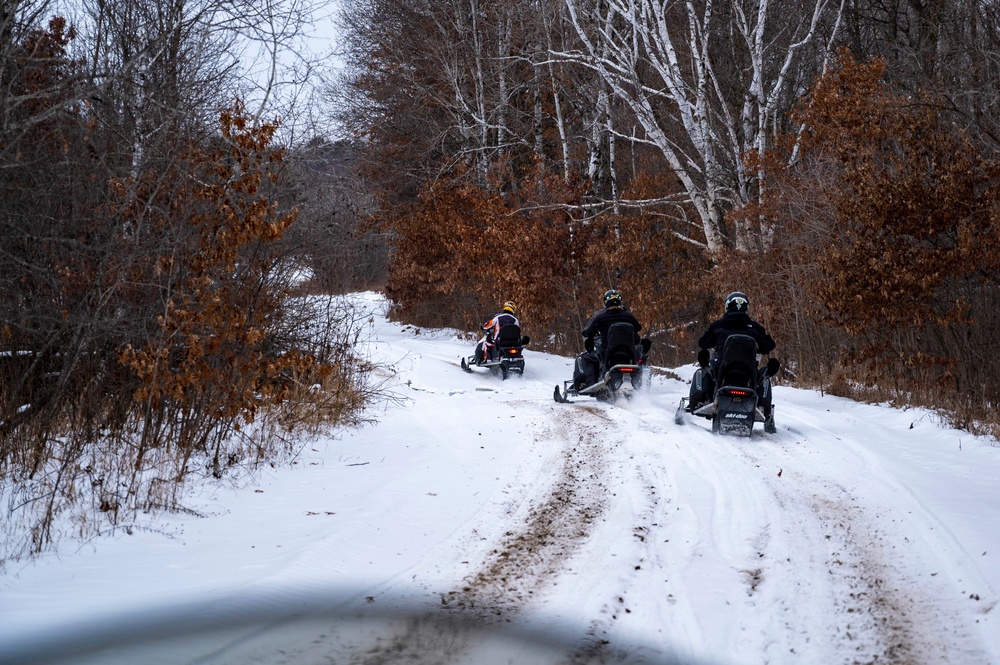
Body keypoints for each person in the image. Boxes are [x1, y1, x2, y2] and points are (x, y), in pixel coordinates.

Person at [688, 291, 776, 413]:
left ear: (727, 306)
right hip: (748, 368)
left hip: (721, 365)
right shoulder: (754, 327)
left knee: (705, 370)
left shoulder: (718, 325)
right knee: (762, 376)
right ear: (746, 307)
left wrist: (715, 341)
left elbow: (702, 343)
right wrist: (762, 348)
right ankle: (762, 407)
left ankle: (705, 399)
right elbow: (770, 345)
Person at [574, 289, 643, 388]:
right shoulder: (628, 316)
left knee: (586, 358)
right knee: (640, 357)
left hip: (607, 351)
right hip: (628, 352)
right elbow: (638, 328)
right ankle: (638, 383)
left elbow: (588, 333)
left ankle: (591, 384)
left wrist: (586, 332)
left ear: (606, 302)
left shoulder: (601, 318)